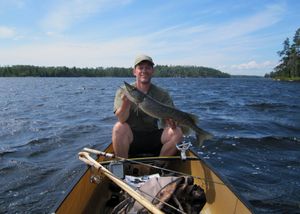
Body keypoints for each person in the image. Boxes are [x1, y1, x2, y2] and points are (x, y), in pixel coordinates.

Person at [112, 54, 183, 158]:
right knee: (118, 127)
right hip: (131, 137)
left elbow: (171, 119)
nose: (144, 71)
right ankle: (123, 166)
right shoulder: (124, 91)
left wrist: (172, 123)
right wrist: (125, 103)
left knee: (177, 132)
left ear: (152, 71)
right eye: (140, 68)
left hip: (154, 136)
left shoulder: (162, 94)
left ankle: (159, 165)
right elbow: (121, 119)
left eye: (148, 68)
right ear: (134, 71)